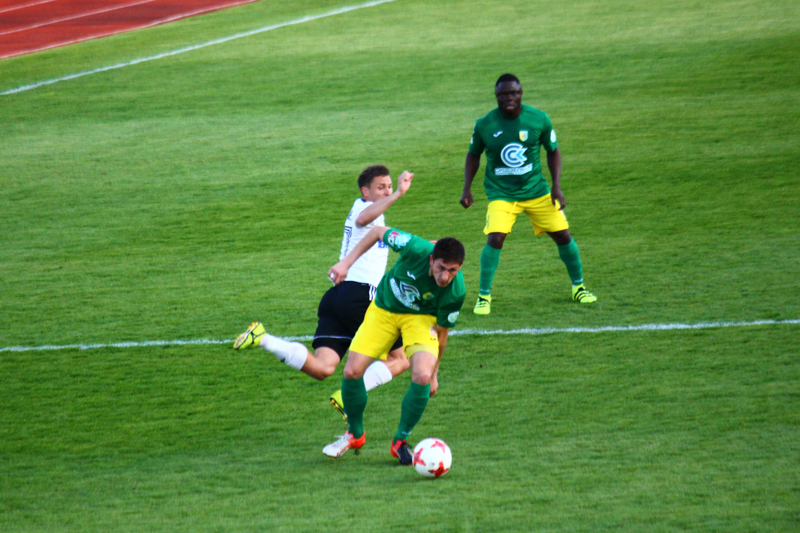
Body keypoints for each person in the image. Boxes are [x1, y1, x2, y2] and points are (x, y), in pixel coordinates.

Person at [233, 165, 414, 417]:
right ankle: (349, 397)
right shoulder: (363, 209)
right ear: (365, 192)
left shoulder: (372, 214)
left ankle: (263, 338)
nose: (387, 191)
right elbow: (364, 219)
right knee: (400, 359)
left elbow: (393, 240)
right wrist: (398, 194)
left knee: (322, 368)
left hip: (337, 297)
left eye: (390, 186)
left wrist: (427, 246)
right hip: (359, 297)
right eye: (381, 187)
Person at [322, 226, 466, 465]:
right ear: (431, 259)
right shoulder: (414, 247)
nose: (445, 277)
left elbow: (442, 332)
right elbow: (378, 231)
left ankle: (400, 441)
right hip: (384, 309)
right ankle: (355, 435)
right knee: (352, 371)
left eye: (453, 271)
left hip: (421, 319)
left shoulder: (456, 291)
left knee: (422, 375)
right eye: (441, 268)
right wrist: (346, 263)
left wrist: (434, 373)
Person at [461, 73, 597, 315]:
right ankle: (483, 296)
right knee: (495, 238)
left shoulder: (538, 119)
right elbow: (473, 155)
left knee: (563, 235)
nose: (509, 98)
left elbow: (553, 151)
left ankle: (579, 287)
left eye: (513, 93)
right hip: (501, 194)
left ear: (521, 93)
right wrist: (466, 188)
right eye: (503, 94)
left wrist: (556, 186)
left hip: (537, 191)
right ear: (496, 96)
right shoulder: (484, 125)